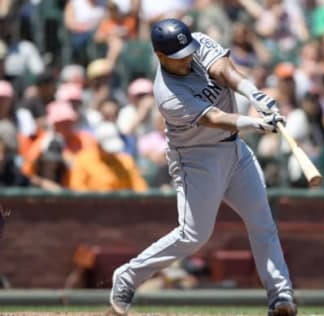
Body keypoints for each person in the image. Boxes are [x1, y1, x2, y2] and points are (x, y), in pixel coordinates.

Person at [108, 18, 296, 316]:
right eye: (179, 57)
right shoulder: (167, 94)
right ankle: (128, 276)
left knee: (262, 222)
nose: (187, 59)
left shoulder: (194, 41)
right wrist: (257, 123)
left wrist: (253, 93)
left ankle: (281, 297)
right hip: (197, 157)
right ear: (160, 56)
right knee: (193, 236)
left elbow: (223, 70)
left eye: (188, 52)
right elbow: (215, 118)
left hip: (235, 150)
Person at [69, 121, 147, 192]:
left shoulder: (126, 161)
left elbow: (140, 188)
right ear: (98, 145)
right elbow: (77, 188)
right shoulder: (83, 160)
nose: (111, 153)